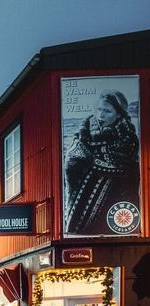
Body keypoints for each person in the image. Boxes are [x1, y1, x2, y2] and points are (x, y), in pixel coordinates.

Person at [64, 89, 140, 235]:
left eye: (107, 111)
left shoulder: (129, 141)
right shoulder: (83, 136)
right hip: (83, 210)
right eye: (99, 109)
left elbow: (132, 176)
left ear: (119, 114)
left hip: (117, 213)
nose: (101, 115)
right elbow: (71, 165)